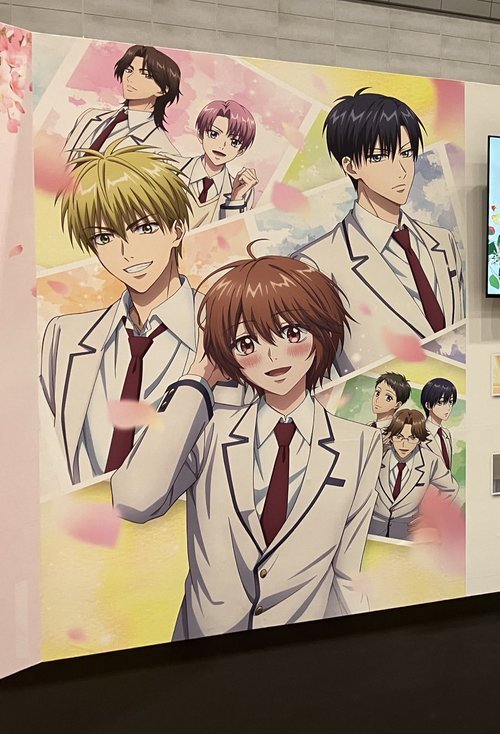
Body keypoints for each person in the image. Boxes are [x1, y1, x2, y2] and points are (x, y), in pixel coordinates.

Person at [110, 255, 380, 638]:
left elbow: (346, 573)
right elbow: (133, 500)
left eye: (291, 333)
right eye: (247, 342)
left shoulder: (361, 444)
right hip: (204, 652)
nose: (272, 356)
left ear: (321, 330)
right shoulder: (209, 431)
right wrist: (199, 378)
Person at [41, 143, 197, 485]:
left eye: (145, 228)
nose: (127, 252)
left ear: (176, 230)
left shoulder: (226, 330)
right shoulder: (64, 337)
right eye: (105, 236)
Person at [292, 89, 464, 373]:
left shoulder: (442, 241)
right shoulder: (317, 264)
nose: (401, 170)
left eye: (406, 153)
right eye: (380, 156)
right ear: (351, 166)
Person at [64, 45, 180, 161]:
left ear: (163, 89)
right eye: (129, 70)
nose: (131, 78)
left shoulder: (163, 151)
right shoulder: (89, 116)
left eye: (146, 75)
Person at [372, 408, 458, 539]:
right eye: (399, 437)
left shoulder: (430, 460)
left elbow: (451, 488)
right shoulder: (378, 454)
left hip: (407, 530)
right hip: (373, 526)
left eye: (411, 438)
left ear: (419, 439)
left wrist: (429, 516)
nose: (404, 444)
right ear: (391, 437)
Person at [181, 100, 258, 227]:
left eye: (234, 142)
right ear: (200, 134)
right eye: (214, 134)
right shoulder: (172, 168)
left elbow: (232, 234)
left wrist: (235, 199)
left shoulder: (244, 192)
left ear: (241, 150)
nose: (222, 145)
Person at [421, 377, 457, 469]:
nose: (448, 407)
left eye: (450, 402)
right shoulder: (419, 432)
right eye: (441, 402)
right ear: (428, 405)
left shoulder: (446, 434)